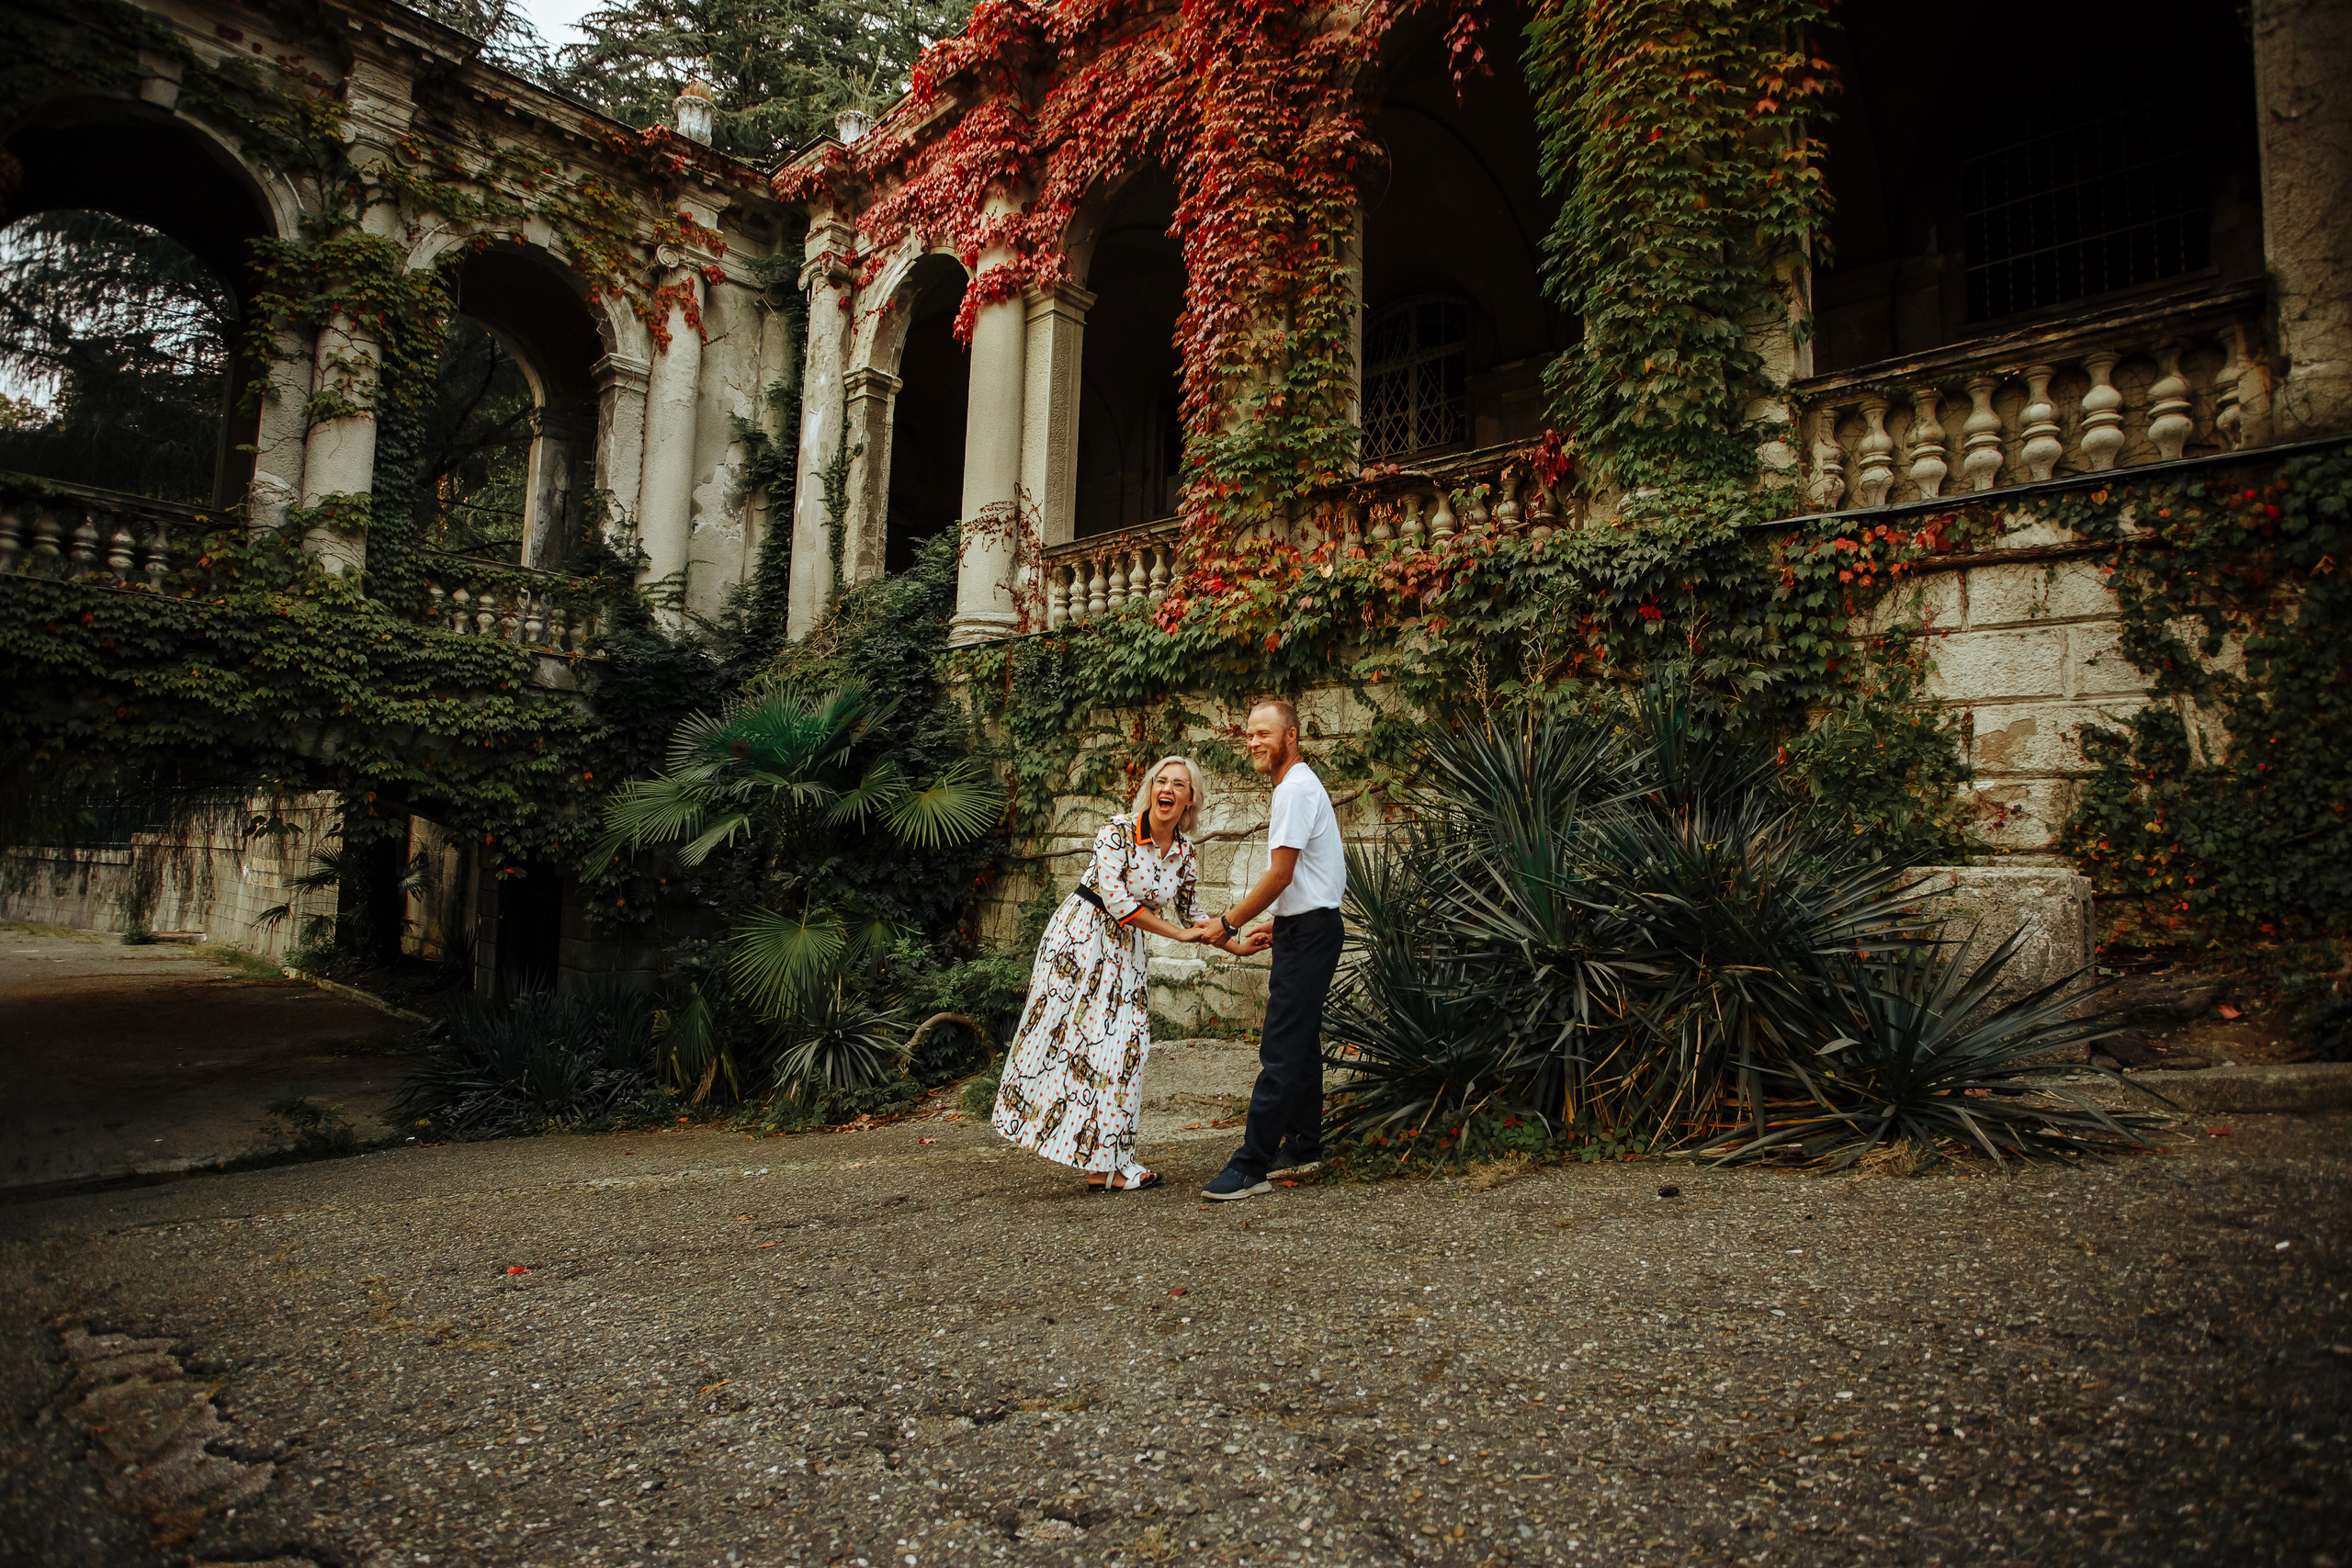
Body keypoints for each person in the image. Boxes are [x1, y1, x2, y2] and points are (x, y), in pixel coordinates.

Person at [992, 756, 1236, 1191]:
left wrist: (1239, 939)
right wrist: (1176, 937)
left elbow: (1194, 915)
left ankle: (1107, 1163)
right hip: (1080, 940)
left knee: (1126, 1048)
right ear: (1151, 789)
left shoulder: (1185, 854)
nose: (1168, 789)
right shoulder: (1117, 831)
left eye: (1179, 784)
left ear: (1190, 800)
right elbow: (1118, 903)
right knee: (1071, 1043)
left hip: (1124, 951)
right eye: (1161, 781)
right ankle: (1100, 1161)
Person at [1187, 699, 1347, 1201]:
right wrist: (1282, 920)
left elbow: (1281, 873)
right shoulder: (1294, 787)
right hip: (1306, 927)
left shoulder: (1294, 790)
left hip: (1312, 931)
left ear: (1291, 736)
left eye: (1263, 733)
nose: (1253, 742)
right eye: (1249, 735)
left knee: (1280, 1049)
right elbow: (1306, 877)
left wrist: (1227, 922)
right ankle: (1303, 1146)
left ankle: (1251, 1165)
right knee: (1300, 1044)